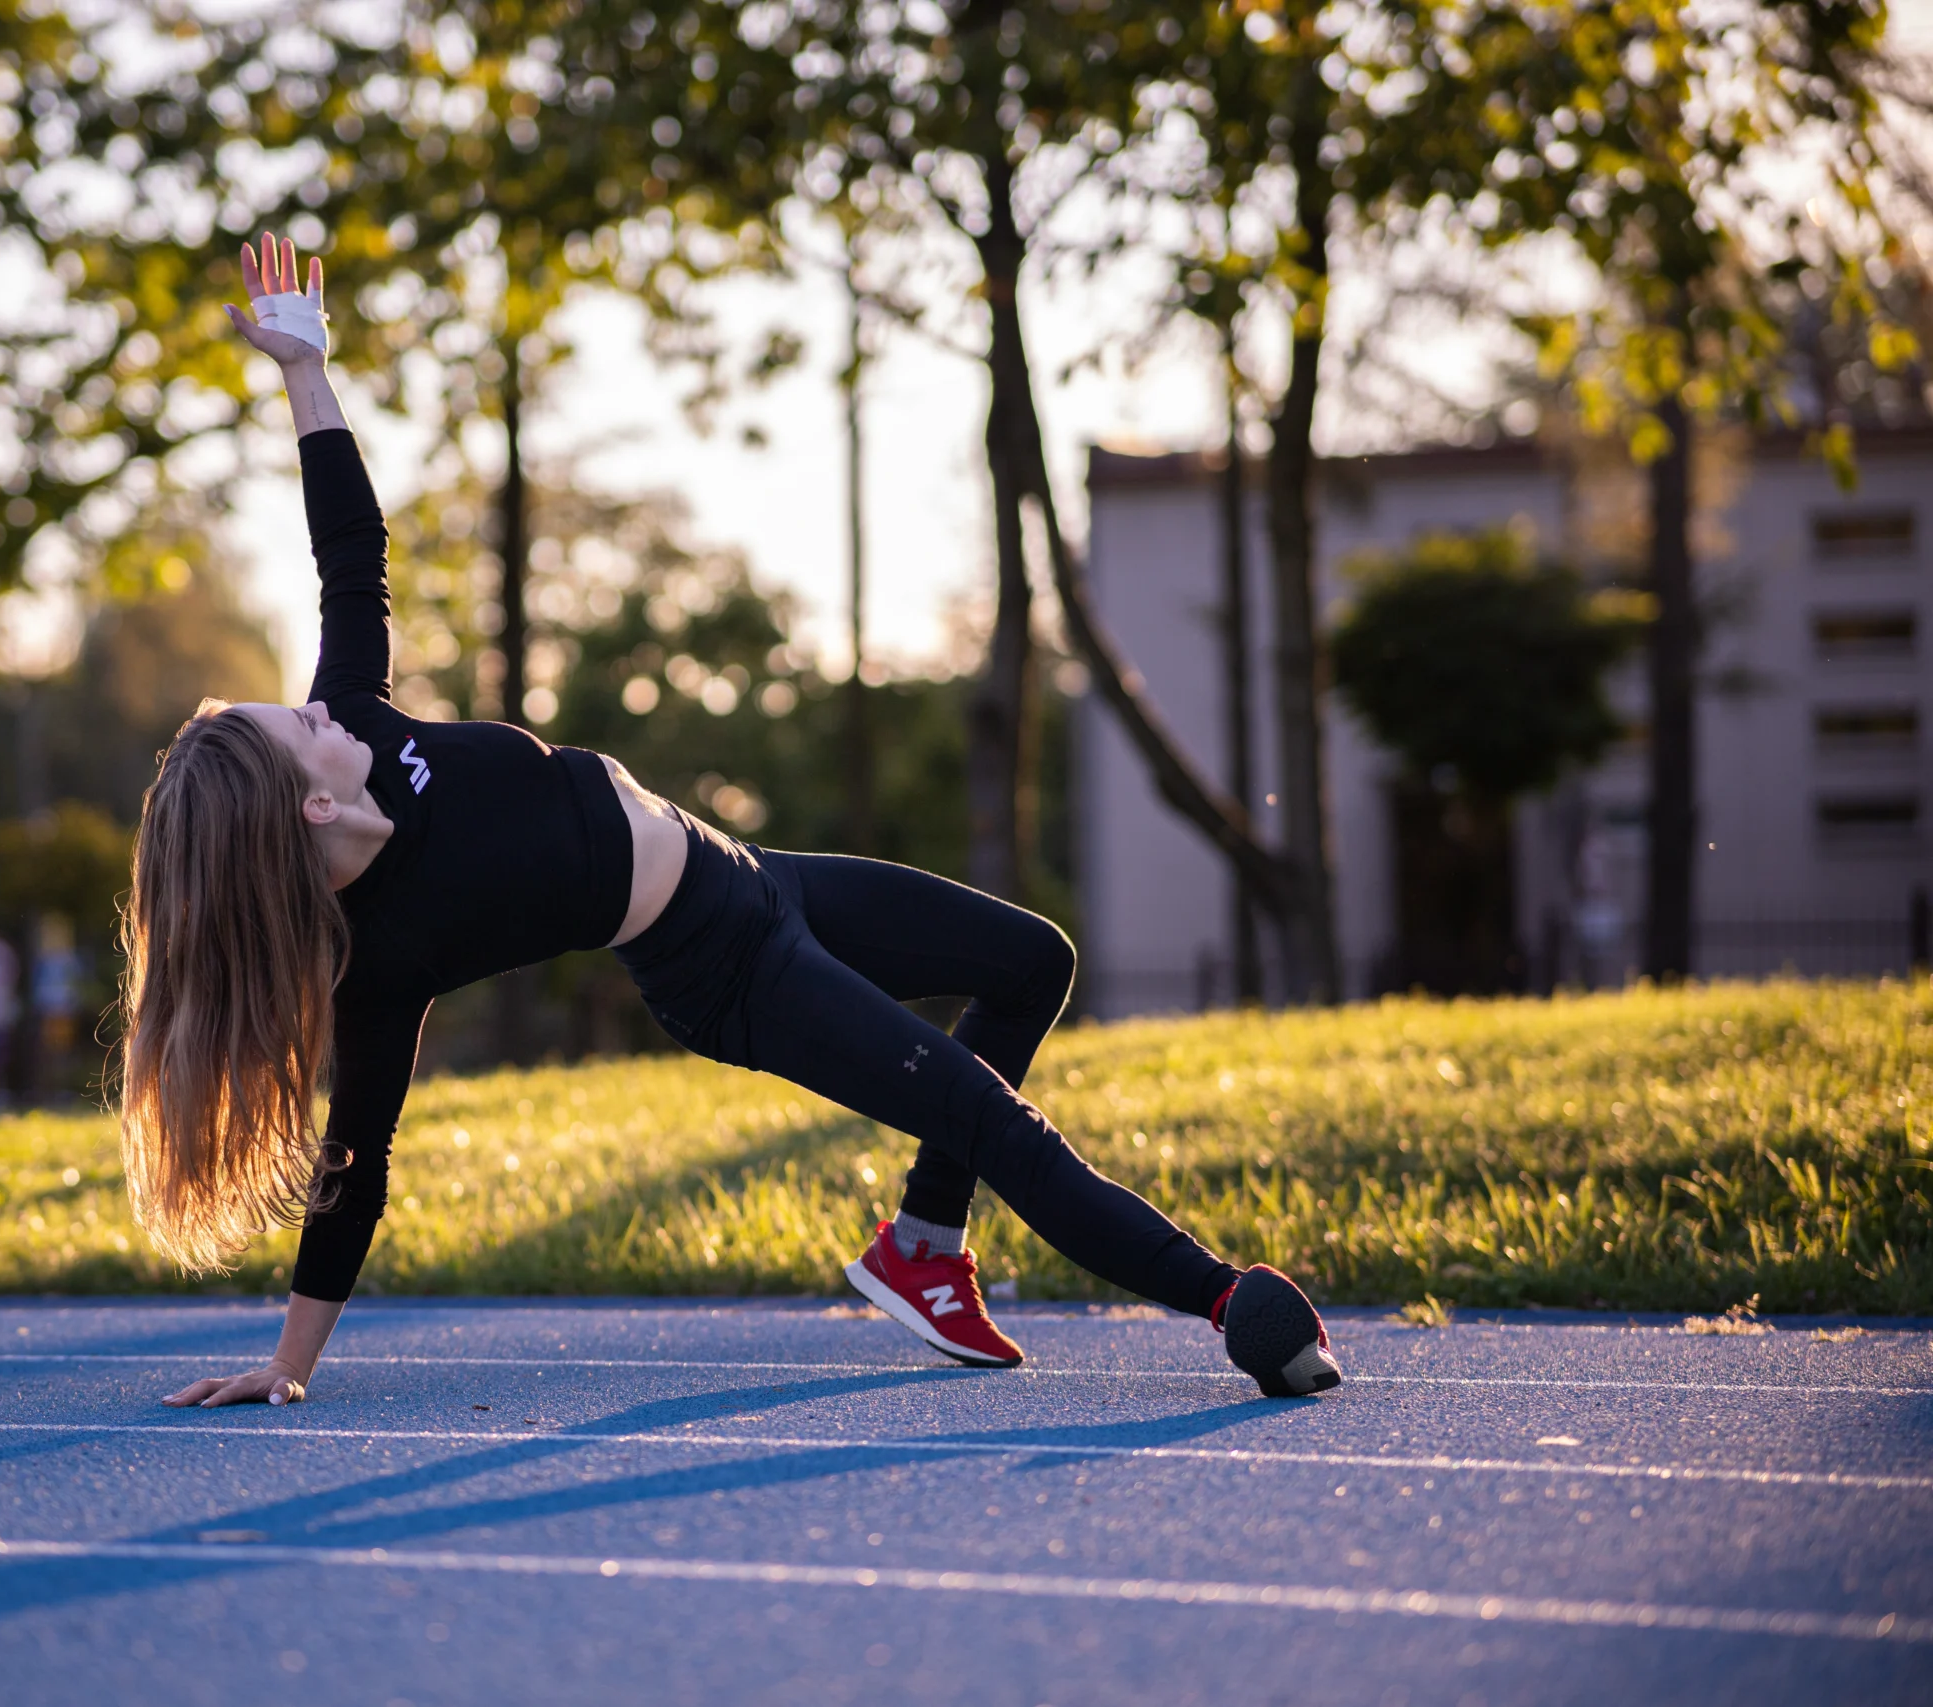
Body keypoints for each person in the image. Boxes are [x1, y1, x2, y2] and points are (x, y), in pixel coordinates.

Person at [134, 236, 1343, 1411]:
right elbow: (355, 1165)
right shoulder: (382, 960)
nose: (319, 706)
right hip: (732, 975)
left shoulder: (354, 718)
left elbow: (350, 551)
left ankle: (922, 1249)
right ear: (313, 802)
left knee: (1032, 960)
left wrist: (305, 371)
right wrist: (290, 1361)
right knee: (990, 1122)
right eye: (298, 723)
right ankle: (1227, 1301)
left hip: (756, 876)